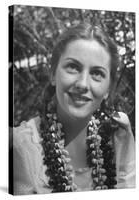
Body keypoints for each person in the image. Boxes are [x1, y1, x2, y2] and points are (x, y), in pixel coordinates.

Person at [11, 22, 135, 195]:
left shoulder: (119, 139)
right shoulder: (23, 147)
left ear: (108, 89)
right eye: (73, 67)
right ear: (53, 74)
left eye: (97, 73)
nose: (83, 84)